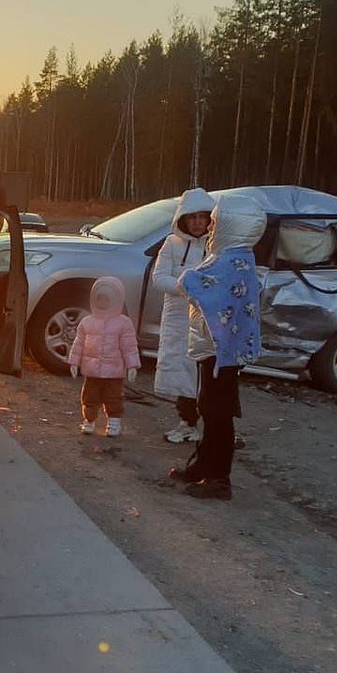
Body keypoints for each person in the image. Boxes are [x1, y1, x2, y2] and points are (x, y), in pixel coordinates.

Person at [173, 194, 265, 501]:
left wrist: (188, 278)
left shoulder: (231, 261)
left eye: (215, 220)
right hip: (212, 349)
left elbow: (206, 291)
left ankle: (218, 478)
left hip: (220, 352)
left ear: (231, 225)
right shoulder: (231, 257)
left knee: (218, 413)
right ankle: (203, 465)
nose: (210, 226)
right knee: (208, 408)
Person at [152, 187, 215, 444]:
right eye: (193, 217)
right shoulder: (171, 244)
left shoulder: (215, 246)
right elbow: (159, 278)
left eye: (203, 217)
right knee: (180, 370)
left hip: (207, 319)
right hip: (178, 319)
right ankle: (186, 422)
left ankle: (210, 425)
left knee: (205, 372)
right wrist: (185, 286)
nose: (198, 222)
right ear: (183, 219)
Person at [67, 276, 141, 437]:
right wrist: (74, 362)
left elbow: (129, 347)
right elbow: (78, 344)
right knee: (89, 398)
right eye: (98, 298)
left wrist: (132, 365)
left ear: (116, 300)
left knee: (113, 398)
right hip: (91, 371)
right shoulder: (87, 322)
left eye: (106, 298)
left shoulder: (123, 323)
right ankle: (89, 420)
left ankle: (114, 422)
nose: (102, 302)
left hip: (114, 373)